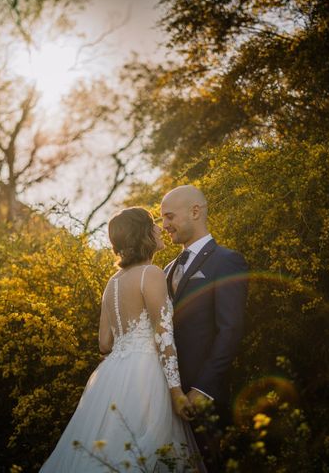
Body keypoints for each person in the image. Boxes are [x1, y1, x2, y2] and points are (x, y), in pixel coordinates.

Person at [39, 207, 204, 472]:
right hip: (146, 375)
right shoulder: (150, 273)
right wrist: (175, 391)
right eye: (153, 224)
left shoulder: (112, 283)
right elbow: (163, 335)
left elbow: (104, 343)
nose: (159, 228)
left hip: (111, 375)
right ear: (143, 234)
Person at [161, 185, 248, 472]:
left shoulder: (226, 261)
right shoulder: (166, 270)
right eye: (162, 219)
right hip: (168, 398)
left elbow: (231, 329)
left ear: (195, 211)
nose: (164, 226)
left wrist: (203, 389)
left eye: (170, 216)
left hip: (206, 397)